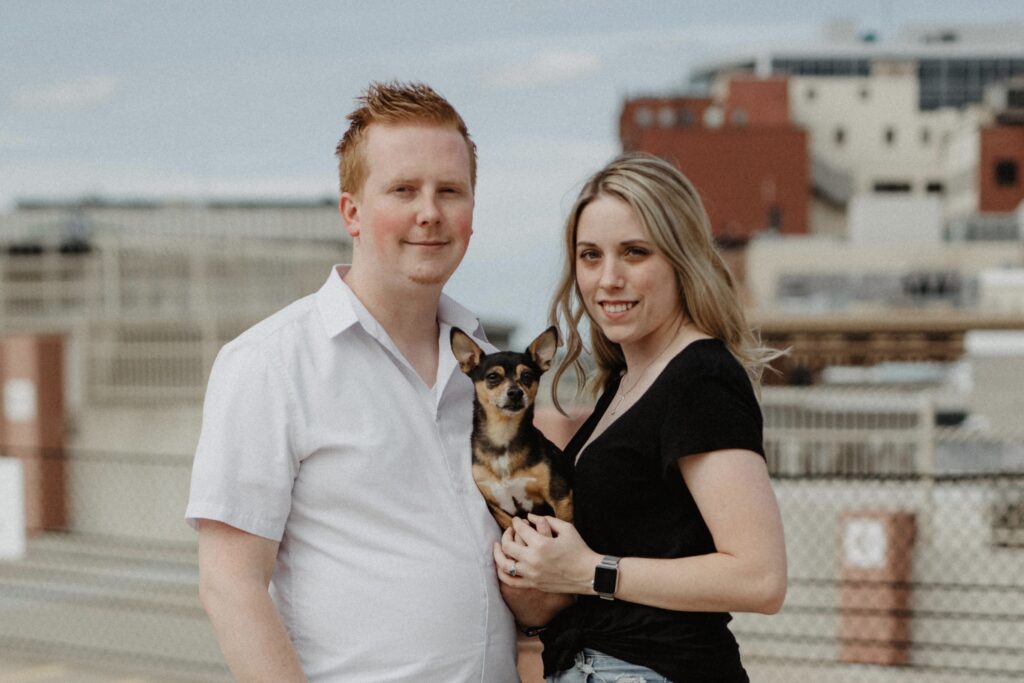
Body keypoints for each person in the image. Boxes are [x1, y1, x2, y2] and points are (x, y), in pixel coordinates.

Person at [186, 81, 523, 682]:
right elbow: (231, 586)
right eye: (403, 190)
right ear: (352, 212)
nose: (430, 212)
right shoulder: (269, 364)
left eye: (451, 191)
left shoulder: (493, 368)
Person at [493, 153, 788, 682]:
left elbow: (759, 577)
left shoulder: (699, 377)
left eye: (634, 253)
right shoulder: (625, 381)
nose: (608, 279)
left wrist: (591, 572)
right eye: (590, 255)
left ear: (681, 258)